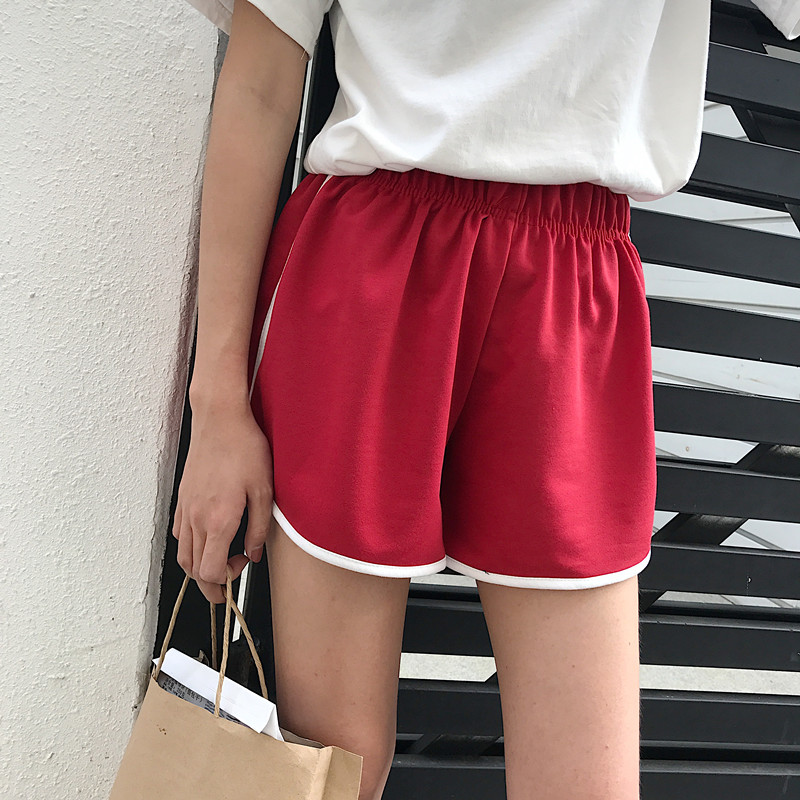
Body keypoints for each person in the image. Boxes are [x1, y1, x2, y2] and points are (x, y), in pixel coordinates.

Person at [172, 2, 800, 798]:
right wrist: (217, 408)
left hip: (572, 281)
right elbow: (260, 86)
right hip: (372, 265)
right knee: (332, 773)